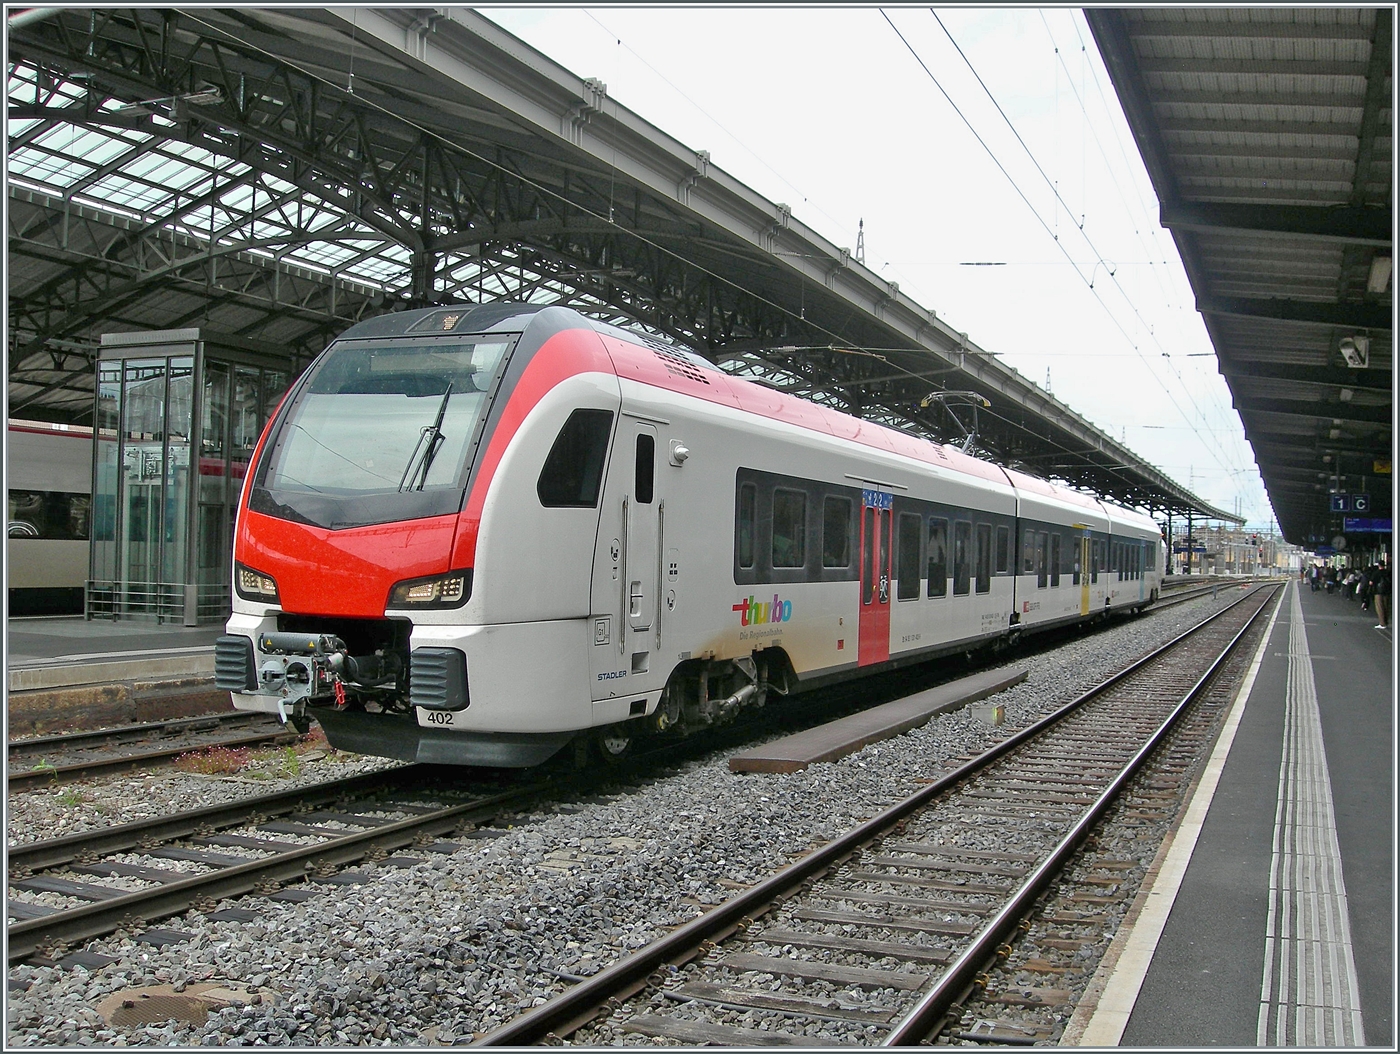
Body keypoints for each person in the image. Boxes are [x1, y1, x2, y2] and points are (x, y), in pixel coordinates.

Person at [1374, 564, 1391, 631]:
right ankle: (1386, 622)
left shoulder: (1377, 573)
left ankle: (1382, 623)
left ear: (1379, 565)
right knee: (1386, 607)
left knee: (1380, 608)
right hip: (1387, 592)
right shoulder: (1388, 572)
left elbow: (1371, 582)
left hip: (1379, 592)